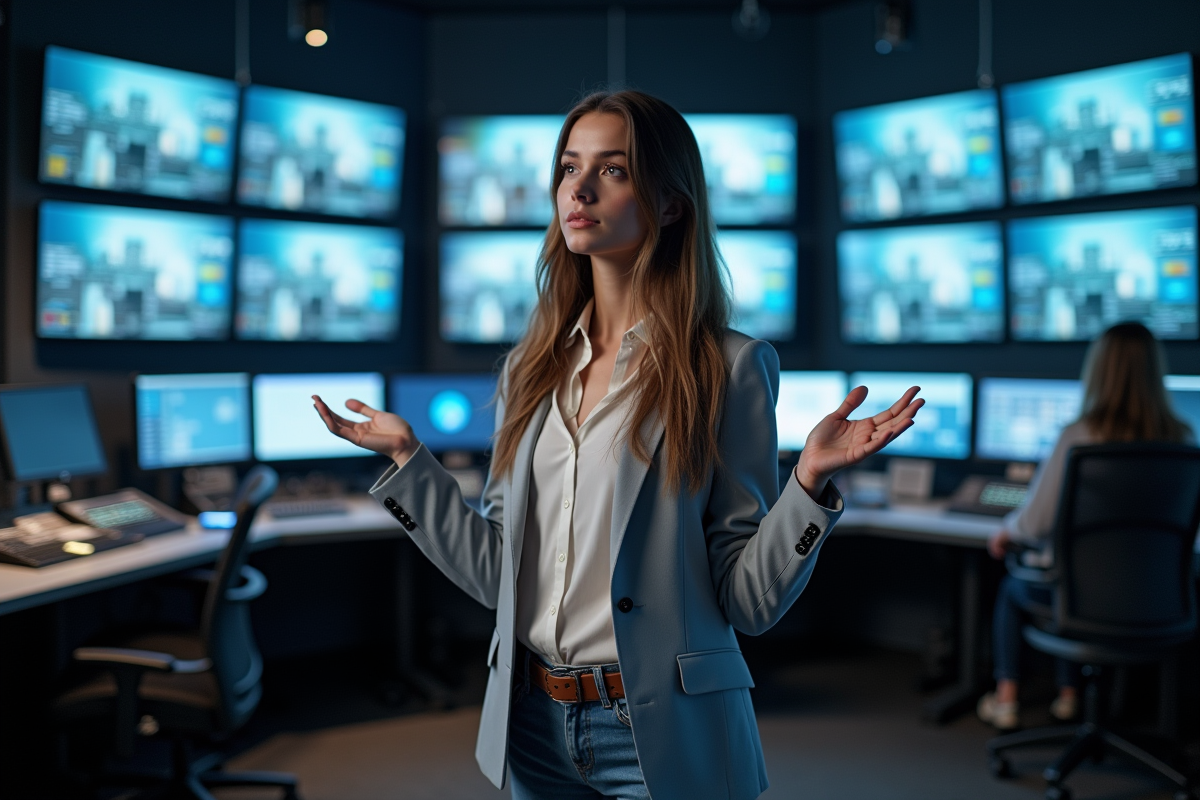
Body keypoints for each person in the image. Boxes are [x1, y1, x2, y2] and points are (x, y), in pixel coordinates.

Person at [313, 90, 922, 800]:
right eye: (570, 168)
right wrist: (409, 466)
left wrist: (809, 484)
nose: (580, 187)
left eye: (613, 169)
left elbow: (749, 602)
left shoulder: (728, 367)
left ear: (669, 203)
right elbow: (496, 576)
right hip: (534, 726)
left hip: (661, 731)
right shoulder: (529, 369)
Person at [977, 322, 1193, 731]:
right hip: (1159, 596)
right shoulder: (1183, 438)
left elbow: (1035, 522)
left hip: (1082, 596)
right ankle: (1069, 696)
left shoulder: (1078, 436)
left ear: (1098, 371)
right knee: (1067, 580)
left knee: (1017, 586)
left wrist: (1005, 532)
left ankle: (1007, 699)